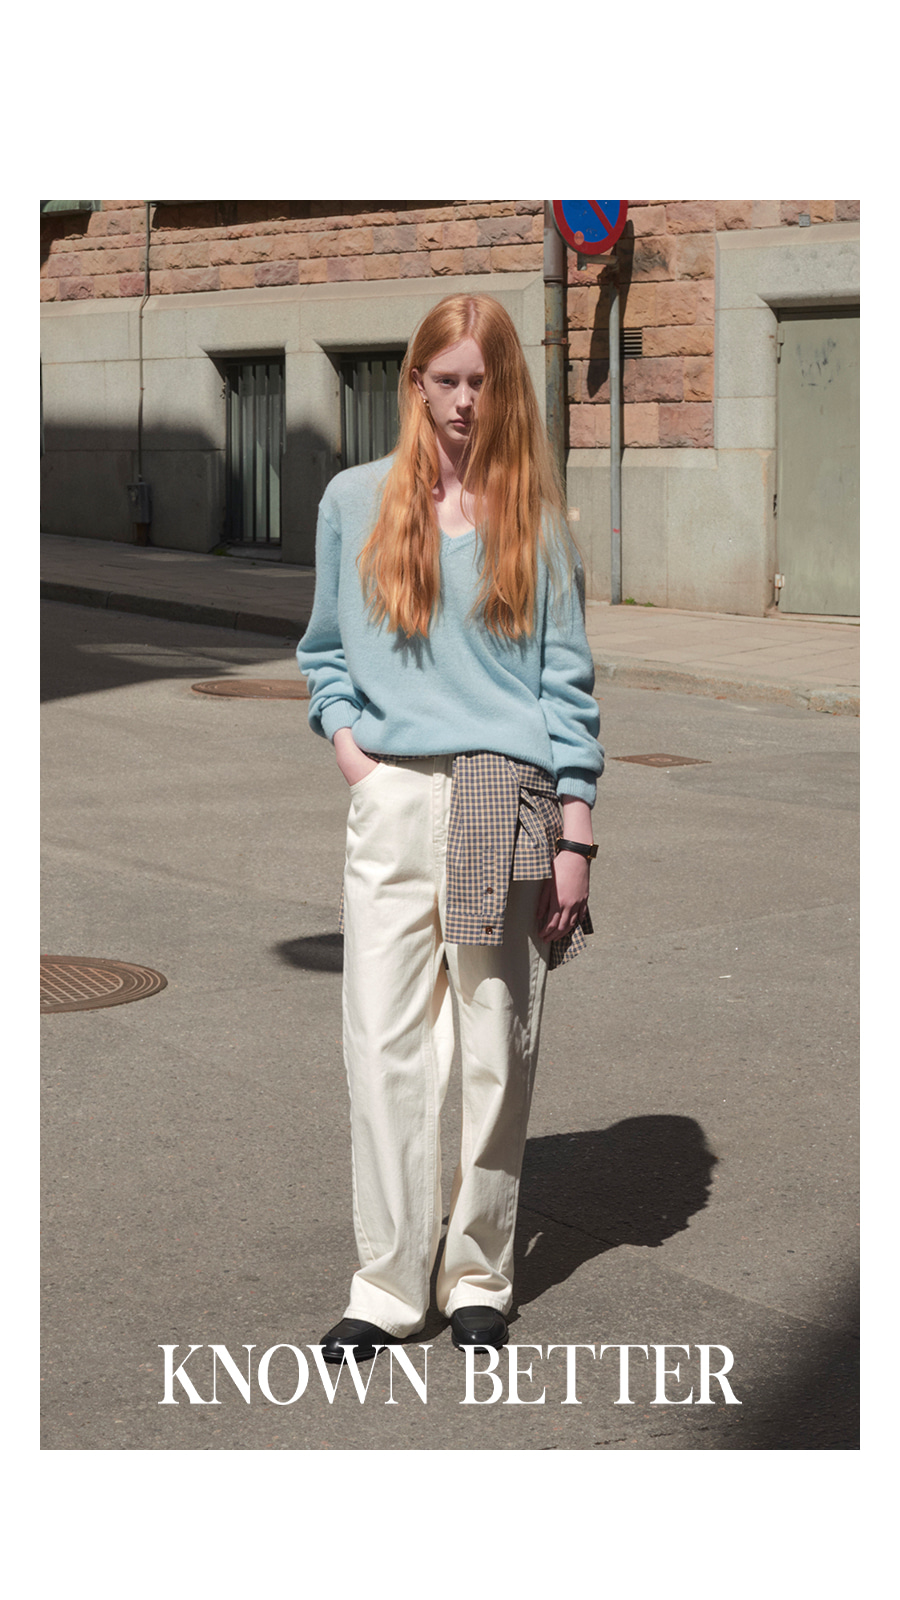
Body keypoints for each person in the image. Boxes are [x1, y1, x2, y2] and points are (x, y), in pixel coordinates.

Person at [297, 292, 604, 1363]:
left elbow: (566, 689)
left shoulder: (535, 521)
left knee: (492, 1045)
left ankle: (477, 1273)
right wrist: (355, 752)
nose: (464, 401)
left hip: (501, 798)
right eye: (447, 380)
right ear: (416, 383)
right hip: (392, 798)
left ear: (503, 387)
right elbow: (324, 650)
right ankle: (388, 1284)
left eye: (482, 380)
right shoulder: (354, 501)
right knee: (381, 1044)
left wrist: (576, 835)